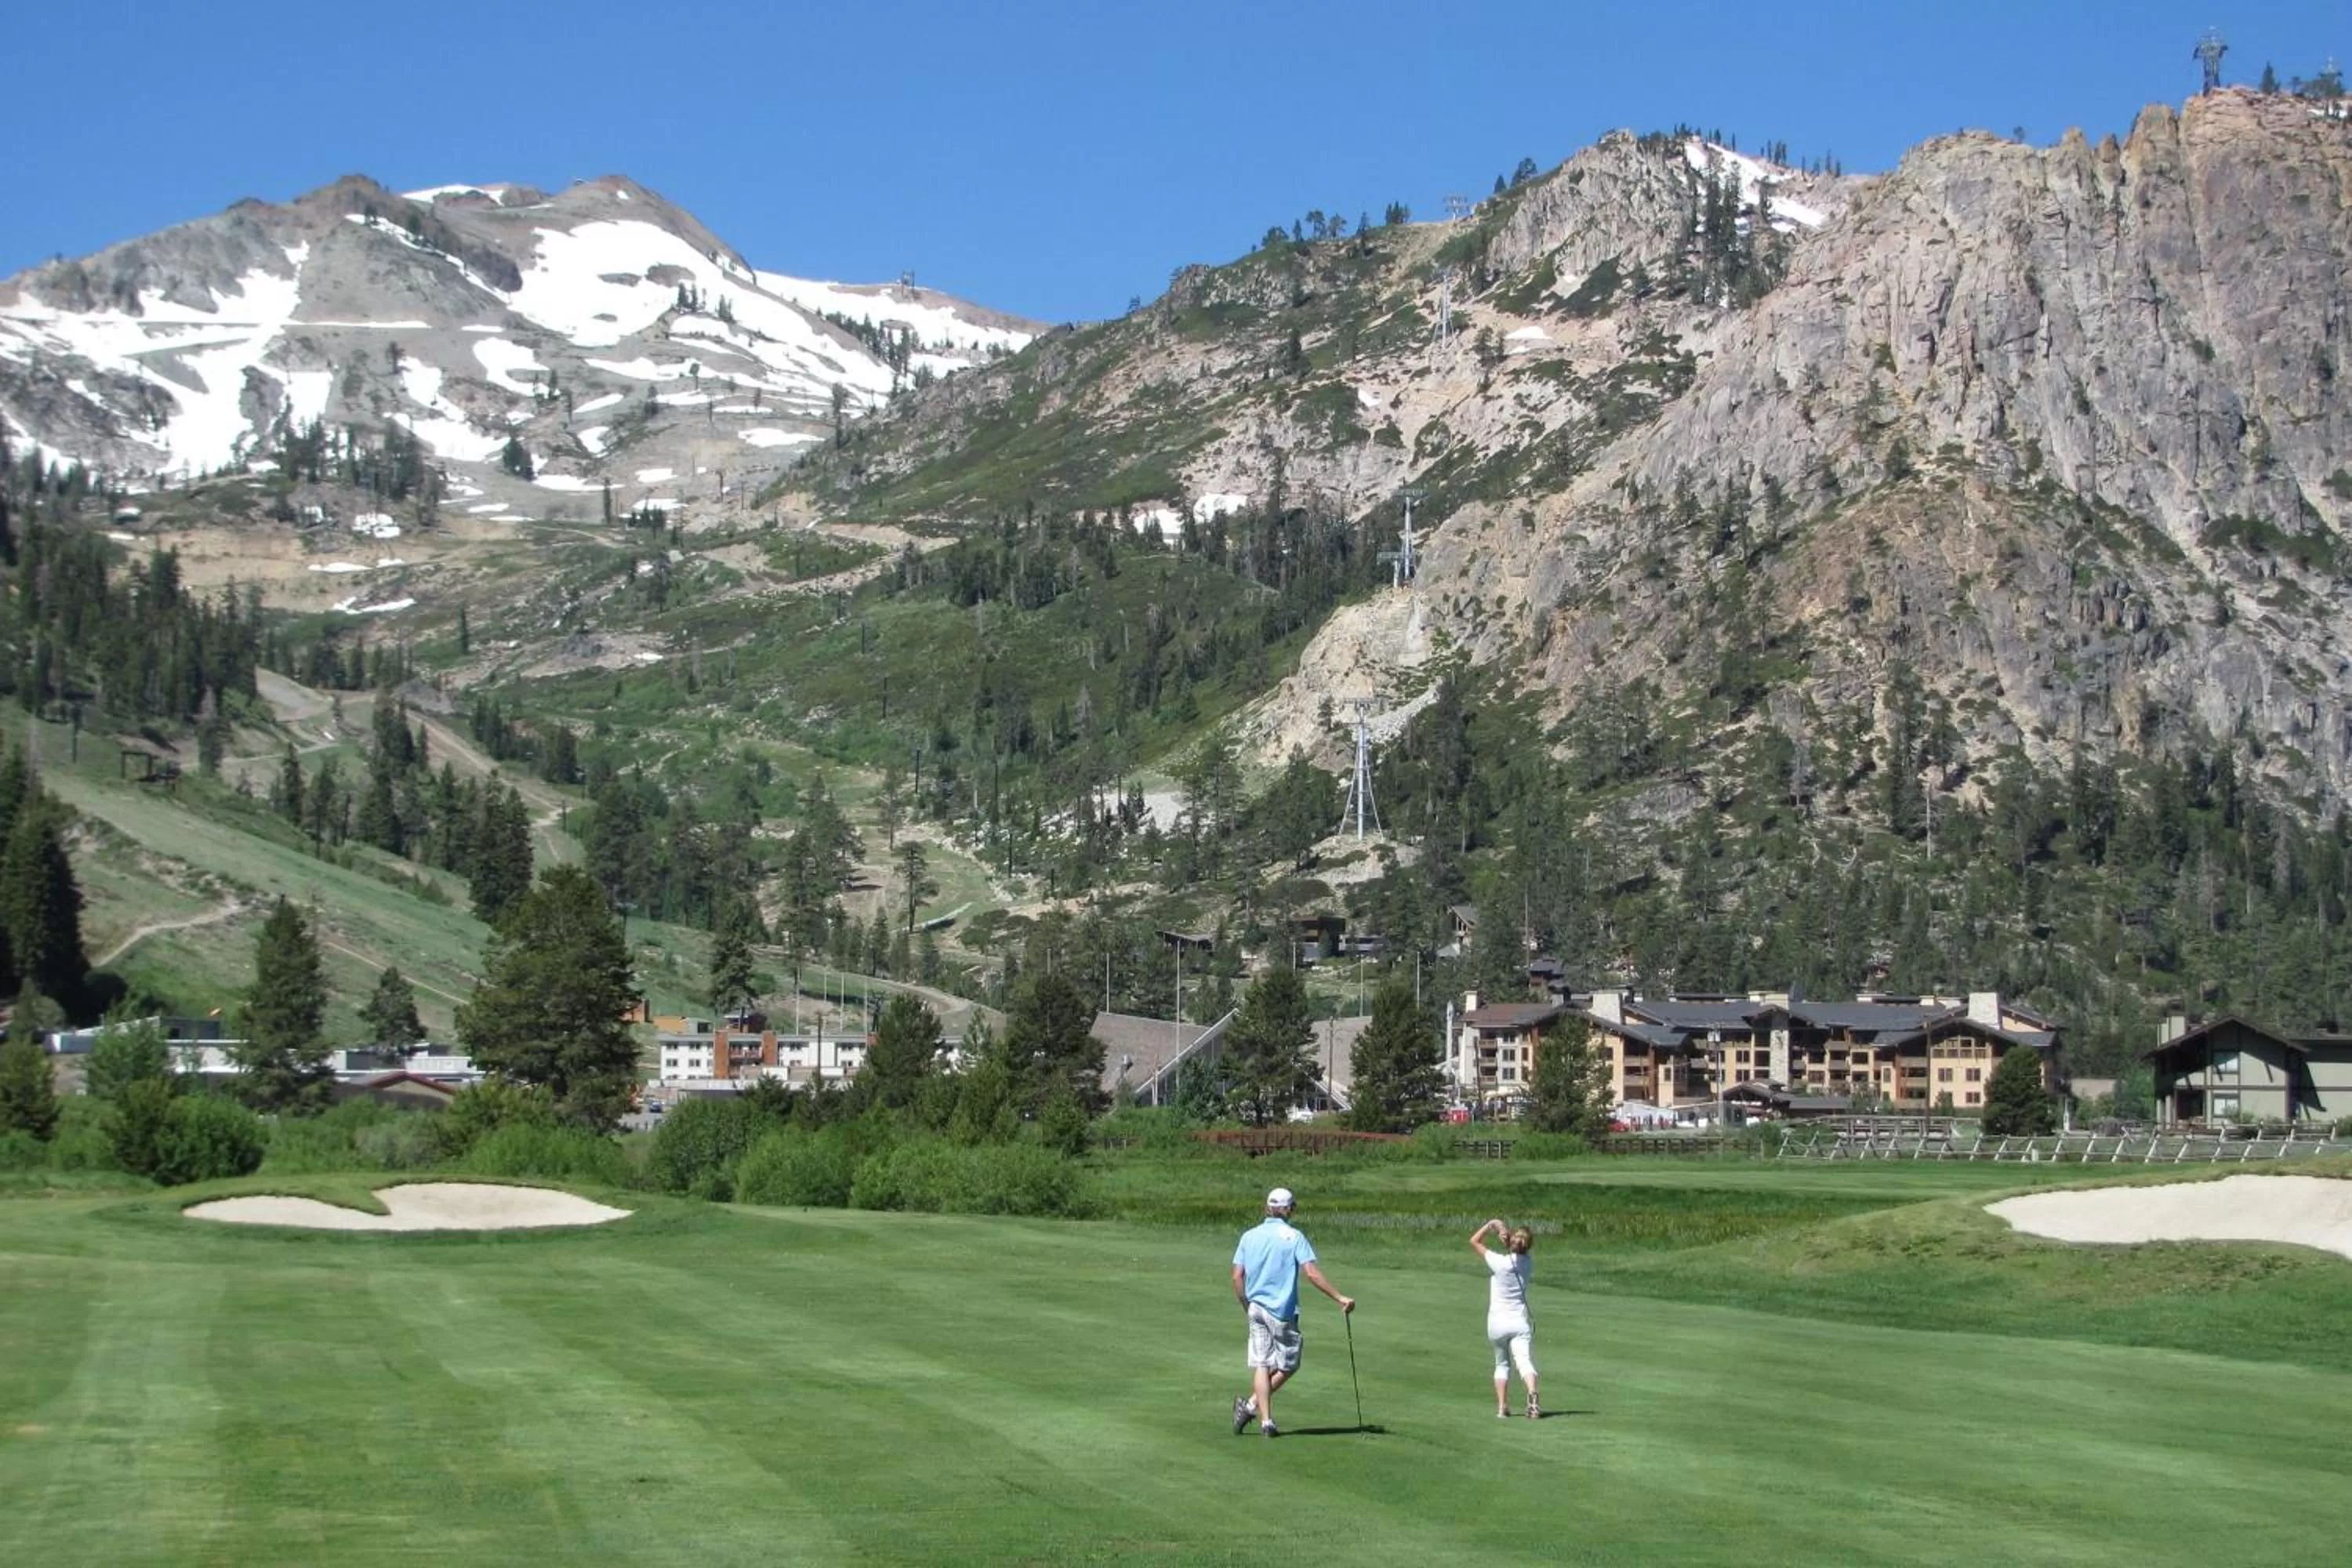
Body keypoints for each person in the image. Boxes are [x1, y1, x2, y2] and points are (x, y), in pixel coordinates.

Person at [1229, 1186, 1354, 1438]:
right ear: (1288, 1209)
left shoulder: (1249, 1236)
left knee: (1262, 1364)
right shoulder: (1294, 1236)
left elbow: (1237, 1276)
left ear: (1268, 1208)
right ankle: (1253, 1408)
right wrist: (1339, 1297)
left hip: (1256, 1308)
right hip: (1282, 1312)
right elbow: (1311, 1273)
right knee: (1288, 1365)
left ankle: (1264, 1420)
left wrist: (1246, 1304)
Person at [1470, 1218, 1537, 1418]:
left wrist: (1491, 1226)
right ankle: (1532, 1395)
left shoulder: (1499, 1262)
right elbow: (1517, 1252)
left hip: (1497, 1323)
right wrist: (1508, 1238)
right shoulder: (1528, 1263)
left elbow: (1474, 1242)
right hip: (1519, 1321)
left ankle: (1502, 1407)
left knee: (1502, 1364)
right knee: (1524, 1362)